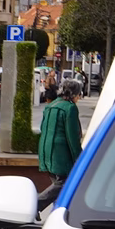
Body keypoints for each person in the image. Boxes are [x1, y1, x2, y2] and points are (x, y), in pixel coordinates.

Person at [37, 78, 84, 211]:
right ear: (73, 94)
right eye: (79, 94)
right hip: (59, 154)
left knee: (58, 186)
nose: (79, 97)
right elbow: (72, 138)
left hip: (46, 151)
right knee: (64, 184)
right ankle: (37, 205)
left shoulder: (51, 106)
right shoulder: (70, 108)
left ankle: (57, 214)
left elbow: (42, 128)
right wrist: (79, 160)